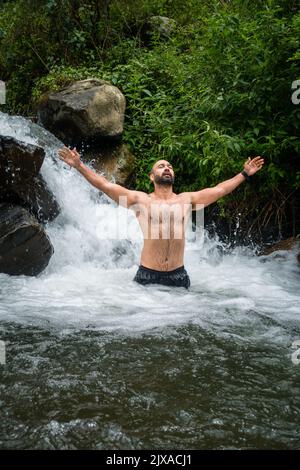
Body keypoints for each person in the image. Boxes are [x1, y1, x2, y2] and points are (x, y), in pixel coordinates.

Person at [58, 146, 264, 289]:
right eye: (161, 166)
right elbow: (105, 185)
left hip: (178, 276)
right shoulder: (139, 200)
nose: (167, 168)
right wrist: (79, 166)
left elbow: (220, 190)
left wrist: (244, 174)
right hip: (147, 276)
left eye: (170, 166)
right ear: (151, 176)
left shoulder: (187, 199)